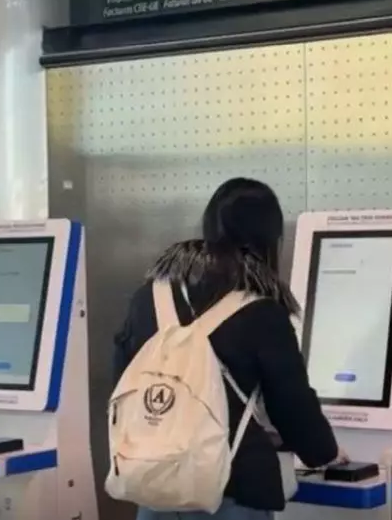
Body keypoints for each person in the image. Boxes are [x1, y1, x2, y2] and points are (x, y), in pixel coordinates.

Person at [112, 177, 345, 519]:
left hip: (154, 484)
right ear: (269, 238)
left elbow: (123, 381)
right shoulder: (260, 309)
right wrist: (324, 453)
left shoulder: (149, 295)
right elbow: (292, 405)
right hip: (230, 489)